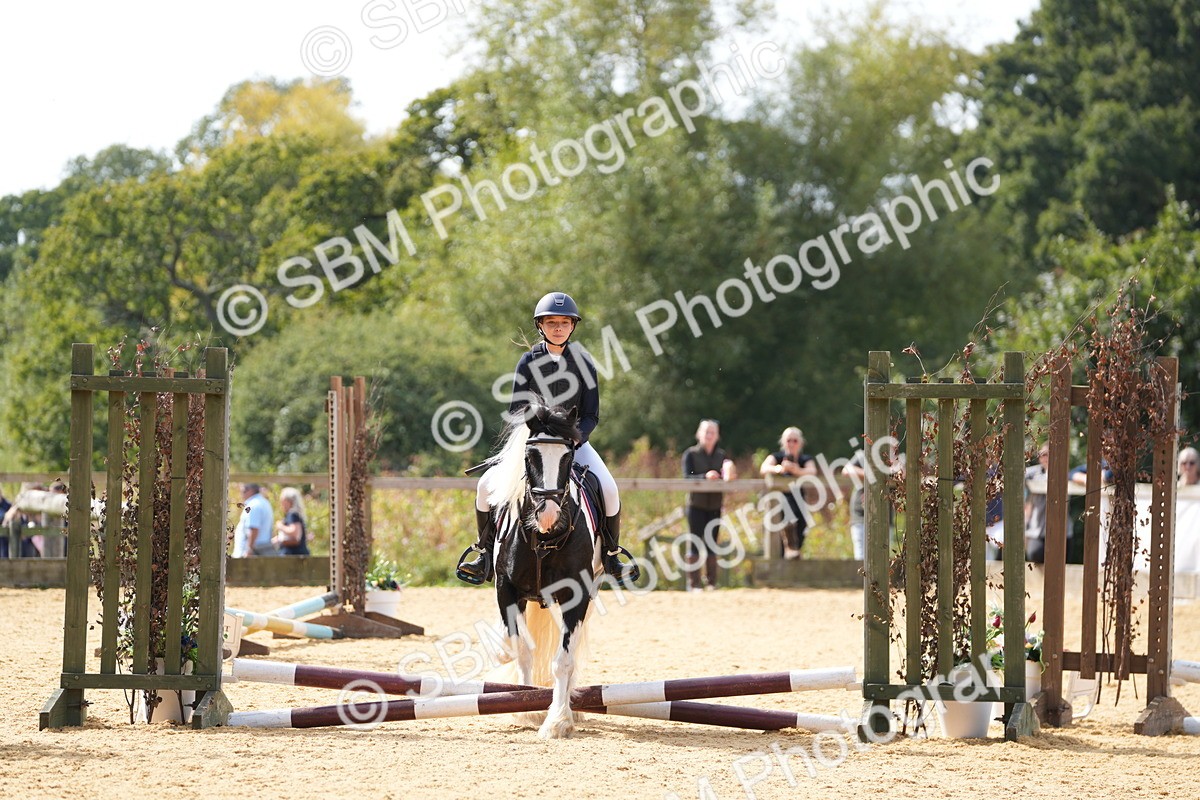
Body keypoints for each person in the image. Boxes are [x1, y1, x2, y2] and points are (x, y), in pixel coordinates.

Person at [457, 292, 635, 585]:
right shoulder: (528, 361)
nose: (558, 328)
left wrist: (577, 438)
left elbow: (591, 414)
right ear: (541, 326)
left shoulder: (584, 362)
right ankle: (484, 554)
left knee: (609, 488)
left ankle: (612, 555)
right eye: (551, 322)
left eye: (564, 323)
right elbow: (516, 409)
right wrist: (536, 428)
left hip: (574, 444)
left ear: (572, 326)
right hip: (533, 445)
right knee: (485, 486)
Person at [682, 419, 736, 591]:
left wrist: (730, 472)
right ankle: (694, 583)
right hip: (696, 505)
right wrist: (705, 477)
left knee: (712, 543)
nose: (709, 435)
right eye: (706, 432)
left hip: (714, 505)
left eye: (713, 432)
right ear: (699, 434)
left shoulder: (722, 456)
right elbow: (687, 477)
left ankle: (711, 582)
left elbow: (729, 476)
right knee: (695, 542)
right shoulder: (690, 454)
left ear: (717, 435)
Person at [759, 427, 817, 559]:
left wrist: (797, 471)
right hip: (779, 501)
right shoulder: (777, 457)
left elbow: (812, 471)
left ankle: (792, 549)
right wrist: (779, 469)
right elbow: (764, 468)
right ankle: (789, 548)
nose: (791, 444)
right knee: (785, 521)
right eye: (788, 440)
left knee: (801, 526)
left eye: (795, 440)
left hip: (799, 501)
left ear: (800, 443)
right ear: (783, 442)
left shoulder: (804, 459)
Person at [233, 483, 276, 557]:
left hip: (253, 553)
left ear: (250, 490)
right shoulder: (263, 502)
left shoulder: (254, 505)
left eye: (243, 490)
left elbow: (254, 529)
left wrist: (249, 551)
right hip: (261, 551)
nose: (241, 492)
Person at [1024, 444, 1050, 563]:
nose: (1043, 458)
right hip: (1036, 528)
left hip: (1060, 531)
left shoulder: (1063, 471)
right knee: (1035, 554)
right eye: (1041, 455)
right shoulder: (1034, 472)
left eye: (1047, 454)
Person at [272, 487, 310, 556]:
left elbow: (294, 533)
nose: (281, 504)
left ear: (288, 501)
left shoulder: (292, 514)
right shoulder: (295, 514)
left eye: (282, 500)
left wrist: (280, 526)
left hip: (294, 555)